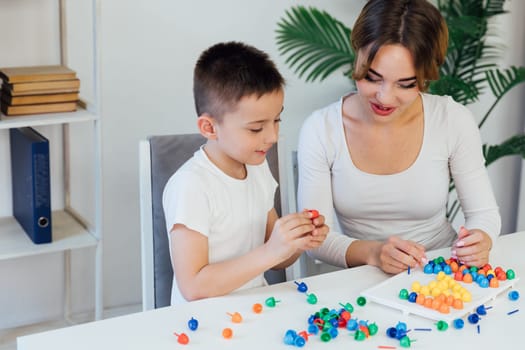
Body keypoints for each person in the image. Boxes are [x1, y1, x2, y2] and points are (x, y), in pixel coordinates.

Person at [297, 0, 501, 275]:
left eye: (406, 84)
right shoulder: (321, 129)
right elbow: (315, 240)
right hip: (360, 275)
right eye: (371, 78)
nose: (384, 97)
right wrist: (375, 253)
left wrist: (481, 239)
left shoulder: (452, 120)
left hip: (441, 271)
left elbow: (483, 214)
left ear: (426, 76)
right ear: (357, 54)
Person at [163, 41, 329, 305]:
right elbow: (193, 286)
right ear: (209, 127)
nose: (272, 136)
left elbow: (277, 258)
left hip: (253, 311)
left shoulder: (257, 167)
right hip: (202, 325)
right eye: (256, 128)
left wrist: (296, 241)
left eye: (277, 120)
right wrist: (271, 250)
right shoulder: (190, 186)